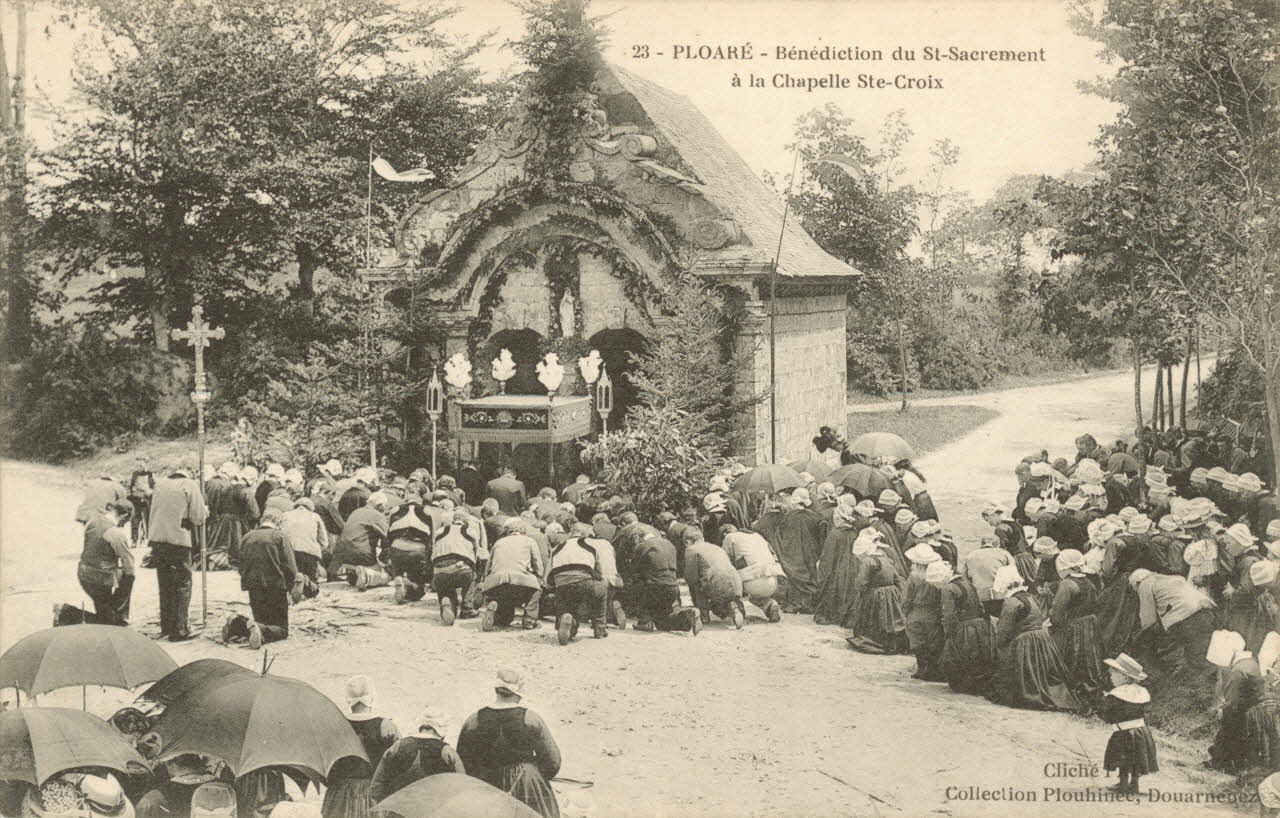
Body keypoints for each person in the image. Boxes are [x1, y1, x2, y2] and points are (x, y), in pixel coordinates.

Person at [456, 670, 561, 818]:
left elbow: (463, 760)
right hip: (525, 782)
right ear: (518, 692)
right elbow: (553, 762)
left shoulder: (474, 719)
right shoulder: (530, 718)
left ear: (496, 690)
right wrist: (535, 777)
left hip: (486, 783)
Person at [991, 564, 1079, 711]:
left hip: (1025, 643)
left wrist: (999, 645)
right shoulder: (1031, 597)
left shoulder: (1011, 602)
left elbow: (1004, 632)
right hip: (1041, 639)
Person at [222, 509, 301, 649]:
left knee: (260, 619)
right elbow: (291, 567)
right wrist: (290, 588)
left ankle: (236, 624)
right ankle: (258, 629)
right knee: (281, 629)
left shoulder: (248, 536)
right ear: (279, 522)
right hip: (275, 586)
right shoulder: (280, 536)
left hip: (253, 586)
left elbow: (239, 563)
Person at [323, 676, 400, 818]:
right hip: (372, 797)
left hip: (340, 797)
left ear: (348, 699)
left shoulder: (336, 725)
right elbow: (396, 767)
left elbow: (328, 767)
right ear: (371, 698)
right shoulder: (386, 726)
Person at [148, 466, 207, 641]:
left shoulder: (160, 485)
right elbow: (198, 517)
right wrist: (205, 513)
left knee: (165, 583)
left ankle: (166, 625)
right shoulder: (190, 485)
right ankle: (180, 629)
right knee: (183, 584)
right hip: (179, 540)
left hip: (158, 540)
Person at [54, 502, 136, 627]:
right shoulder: (115, 533)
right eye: (126, 521)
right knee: (106, 623)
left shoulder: (92, 522)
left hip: (84, 573)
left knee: (104, 613)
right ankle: (66, 612)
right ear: (124, 516)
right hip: (100, 579)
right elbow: (129, 565)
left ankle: (113, 615)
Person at [1130, 568, 1217, 678]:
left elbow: (1148, 619)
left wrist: (1143, 637)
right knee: (1204, 645)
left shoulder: (1145, 584)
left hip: (1184, 617)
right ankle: (1212, 671)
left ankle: (1207, 677)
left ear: (1137, 583)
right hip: (1205, 609)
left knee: (1194, 651)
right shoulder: (1172, 578)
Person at [1049, 549, 1107, 702]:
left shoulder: (1068, 584)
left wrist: (1056, 625)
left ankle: (1072, 691)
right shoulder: (1088, 581)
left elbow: (1057, 611)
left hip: (1074, 627)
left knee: (1072, 658)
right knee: (1089, 658)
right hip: (1090, 624)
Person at [370, 708, 464, 802]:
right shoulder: (447, 751)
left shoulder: (397, 746)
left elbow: (376, 786)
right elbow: (463, 786)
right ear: (441, 728)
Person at [1099, 653, 1157, 794]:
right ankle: (1134, 784)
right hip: (1141, 731)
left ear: (1124, 677)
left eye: (1113, 674)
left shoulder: (1118, 694)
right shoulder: (1141, 692)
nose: (1110, 677)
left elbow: (1108, 715)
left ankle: (1123, 784)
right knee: (1136, 758)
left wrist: (1104, 703)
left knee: (1123, 758)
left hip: (1124, 732)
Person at [1207, 630, 1264, 772]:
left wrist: (1221, 711)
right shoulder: (1250, 662)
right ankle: (1225, 759)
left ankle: (1222, 761)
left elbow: (1231, 704)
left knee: (1228, 721)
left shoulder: (1238, 671)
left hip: (1250, 718)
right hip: (1256, 714)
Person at [936, 560, 994, 695]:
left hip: (964, 626)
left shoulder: (948, 589)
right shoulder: (968, 583)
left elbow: (949, 615)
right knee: (977, 656)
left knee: (957, 656)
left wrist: (949, 633)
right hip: (979, 624)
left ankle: (963, 686)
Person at [846, 528, 907, 655]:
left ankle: (873, 640)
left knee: (874, 620)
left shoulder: (868, 562)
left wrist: (860, 592)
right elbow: (896, 577)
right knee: (890, 619)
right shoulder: (885, 558)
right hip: (891, 593)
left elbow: (861, 582)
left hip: (876, 595)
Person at [546, 524, 609, 644]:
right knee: (601, 591)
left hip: (562, 585)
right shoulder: (591, 546)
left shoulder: (557, 548)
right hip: (584, 581)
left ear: (570, 533)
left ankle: (566, 622)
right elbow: (599, 573)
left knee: (566, 603)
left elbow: (548, 574)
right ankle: (600, 629)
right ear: (585, 535)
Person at [813, 496, 868, 628]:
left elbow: (827, 559)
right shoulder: (854, 532)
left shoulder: (835, 534)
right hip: (853, 569)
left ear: (838, 518)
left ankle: (832, 616)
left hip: (838, 571)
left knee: (832, 589)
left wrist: (821, 571)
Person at [480, 518, 544, 631]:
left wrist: (487, 581)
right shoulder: (529, 541)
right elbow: (538, 565)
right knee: (536, 590)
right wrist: (539, 577)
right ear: (523, 530)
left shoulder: (498, 542)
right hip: (521, 579)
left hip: (497, 581)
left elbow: (488, 567)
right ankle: (529, 620)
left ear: (507, 531)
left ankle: (496, 610)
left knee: (505, 609)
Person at [632, 531, 700, 633]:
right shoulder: (670, 544)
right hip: (672, 588)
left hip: (653, 588)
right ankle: (687, 615)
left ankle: (645, 621)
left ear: (637, 537)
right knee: (663, 623)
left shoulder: (642, 546)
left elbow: (634, 569)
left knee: (635, 582)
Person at [431, 509, 488, 625]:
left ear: (453, 520)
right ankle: (467, 608)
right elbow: (477, 556)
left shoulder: (440, 531)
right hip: (461, 570)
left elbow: (433, 551)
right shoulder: (470, 532)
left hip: (440, 571)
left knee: (445, 585)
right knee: (472, 576)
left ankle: (447, 604)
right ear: (466, 521)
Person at [721, 524, 784, 623]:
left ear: (725, 533)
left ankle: (737, 610)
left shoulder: (729, 537)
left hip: (754, 581)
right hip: (773, 579)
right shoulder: (757, 535)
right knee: (757, 595)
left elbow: (724, 562)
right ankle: (771, 605)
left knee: (731, 584)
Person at [683, 529, 745, 629]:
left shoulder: (691, 550)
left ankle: (704, 614)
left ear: (687, 542)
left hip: (715, 583)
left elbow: (691, 578)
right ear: (702, 538)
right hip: (736, 582)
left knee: (697, 584)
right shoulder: (717, 547)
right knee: (722, 597)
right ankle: (733, 607)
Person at [902, 544, 945, 681]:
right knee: (933, 642)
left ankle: (921, 669)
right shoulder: (937, 574)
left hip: (917, 612)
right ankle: (932, 669)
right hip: (933, 612)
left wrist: (906, 611)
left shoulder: (914, 577)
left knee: (917, 642)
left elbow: (907, 598)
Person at [385, 501, 435, 604]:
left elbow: (388, 536)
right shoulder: (427, 511)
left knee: (398, 566)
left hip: (397, 547)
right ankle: (408, 583)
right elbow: (431, 539)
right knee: (418, 590)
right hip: (417, 549)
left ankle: (399, 577)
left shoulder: (395, 510)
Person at [332, 493, 390, 573]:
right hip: (361, 554)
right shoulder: (377, 515)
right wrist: (384, 560)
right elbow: (388, 536)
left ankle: (353, 569)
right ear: (380, 505)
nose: (385, 509)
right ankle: (365, 570)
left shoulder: (356, 511)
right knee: (382, 571)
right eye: (385, 506)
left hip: (340, 552)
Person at [282, 497, 328, 586]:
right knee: (312, 580)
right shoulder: (315, 516)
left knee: (290, 577)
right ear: (310, 508)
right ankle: (309, 584)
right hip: (309, 551)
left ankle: (294, 584)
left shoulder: (285, 515)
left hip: (290, 552)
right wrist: (320, 552)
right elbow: (324, 540)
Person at [127, 458, 155, 546]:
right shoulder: (134, 475)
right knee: (135, 519)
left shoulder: (150, 474)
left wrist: (150, 491)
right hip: (136, 499)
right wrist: (132, 491)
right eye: (137, 465)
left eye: (141, 465)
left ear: (146, 465)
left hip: (147, 498)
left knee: (149, 519)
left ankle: (149, 538)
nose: (139, 467)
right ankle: (134, 539)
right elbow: (130, 487)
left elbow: (155, 487)